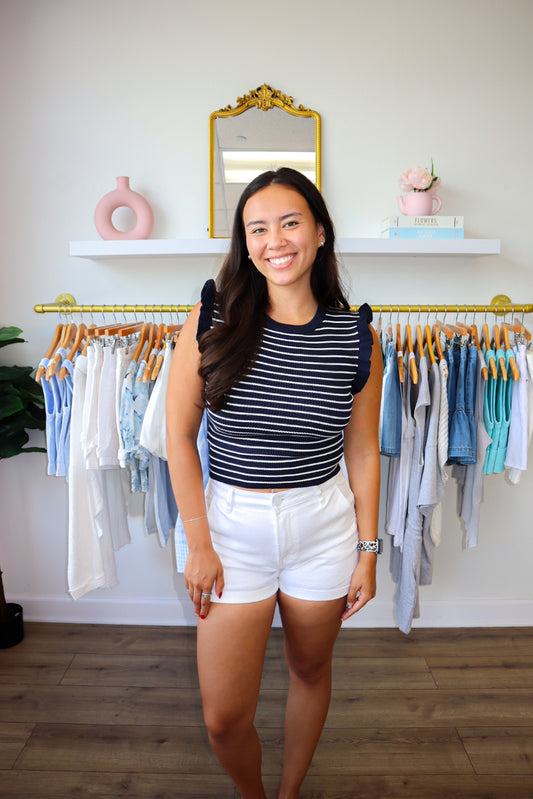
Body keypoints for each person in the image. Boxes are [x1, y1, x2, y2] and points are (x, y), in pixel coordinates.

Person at [166, 167, 382, 799]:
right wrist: (199, 544)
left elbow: (364, 452)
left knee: (310, 670)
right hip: (231, 529)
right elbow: (178, 438)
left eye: (290, 222)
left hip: (324, 527)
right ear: (245, 242)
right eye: (257, 228)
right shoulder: (212, 317)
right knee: (223, 716)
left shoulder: (355, 336)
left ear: (318, 232)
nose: (274, 240)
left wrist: (369, 552)